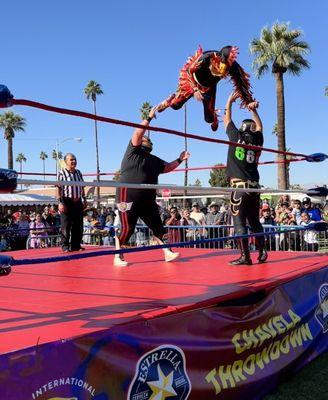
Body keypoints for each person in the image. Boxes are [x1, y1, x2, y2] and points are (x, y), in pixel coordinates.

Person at [114, 106, 190, 266]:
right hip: (128, 195)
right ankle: (118, 256)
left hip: (147, 198)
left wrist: (180, 159)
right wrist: (148, 118)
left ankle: (167, 252)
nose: (149, 139)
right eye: (146, 138)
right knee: (128, 228)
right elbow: (137, 133)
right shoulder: (132, 152)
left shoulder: (153, 159)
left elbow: (168, 167)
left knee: (158, 227)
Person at [156, 45, 256, 131]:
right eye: (222, 65)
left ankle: (214, 117)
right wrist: (194, 89)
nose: (224, 71)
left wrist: (249, 101)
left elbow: (242, 84)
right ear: (218, 58)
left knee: (209, 119)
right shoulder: (207, 57)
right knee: (175, 105)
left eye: (227, 68)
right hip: (191, 81)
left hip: (208, 88)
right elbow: (189, 71)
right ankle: (168, 102)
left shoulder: (233, 66)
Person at [223, 91, 267, 265]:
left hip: (239, 187)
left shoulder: (236, 137)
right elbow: (260, 127)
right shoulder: (258, 140)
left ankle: (245, 256)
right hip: (254, 187)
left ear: (242, 128)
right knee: (255, 221)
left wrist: (229, 101)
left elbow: (226, 120)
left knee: (239, 221)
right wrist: (253, 111)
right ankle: (262, 253)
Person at [56, 153, 87, 252]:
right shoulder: (61, 173)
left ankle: (76, 245)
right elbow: (58, 188)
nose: (74, 161)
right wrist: (60, 202)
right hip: (66, 201)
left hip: (77, 201)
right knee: (66, 225)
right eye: (71, 160)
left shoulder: (78, 173)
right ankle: (65, 246)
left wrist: (84, 199)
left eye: (75, 159)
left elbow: (82, 187)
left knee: (78, 225)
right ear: (66, 162)